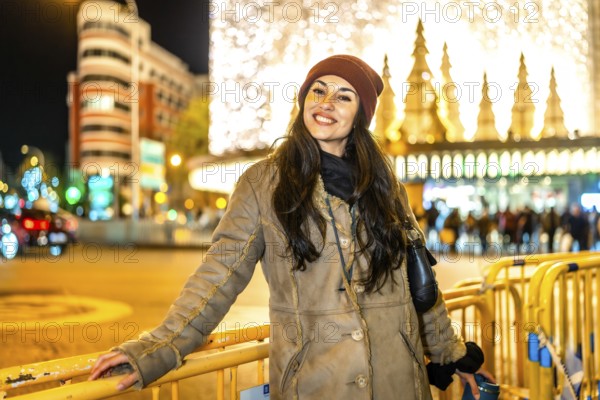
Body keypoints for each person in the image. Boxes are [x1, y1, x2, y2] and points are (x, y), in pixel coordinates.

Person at [90, 55, 493, 399]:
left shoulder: (387, 186)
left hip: (399, 382)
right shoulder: (263, 184)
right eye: (318, 91)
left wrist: (451, 354)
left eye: (343, 96)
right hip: (314, 384)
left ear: (360, 115)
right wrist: (157, 348)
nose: (326, 103)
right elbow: (218, 276)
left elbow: (421, 284)